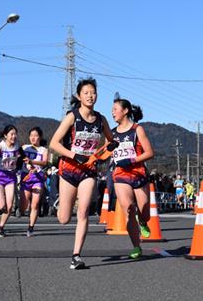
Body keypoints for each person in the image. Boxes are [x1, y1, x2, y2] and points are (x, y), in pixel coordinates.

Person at [49, 78, 113, 269]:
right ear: (79, 96)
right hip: (69, 169)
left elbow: (110, 142)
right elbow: (53, 143)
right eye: (86, 92)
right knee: (64, 219)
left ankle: (76, 255)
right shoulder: (72, 117)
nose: (90, 96)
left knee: (84, 211)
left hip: (88, 171)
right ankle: (61, 201)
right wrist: (74, 155)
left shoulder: (101, 120)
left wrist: (103, 153)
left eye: (93, 92)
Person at [110, 98, 154, 259]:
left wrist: (132, 160)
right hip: (121, 175)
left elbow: (149, 152)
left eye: (115, 109)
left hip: (138, 173)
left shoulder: (137, 129)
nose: (112, 112)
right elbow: (106, 152)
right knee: (128, 208)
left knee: (144, 211)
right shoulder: (112, 133)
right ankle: (136, 246)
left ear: (125, 110)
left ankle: (143, 221)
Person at [0, 125, 24, 237]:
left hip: (11, 177)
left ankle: (0, 227)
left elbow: (22, 157)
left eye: (15, 134)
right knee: (1, 205)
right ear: (5, 135)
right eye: (11, 134)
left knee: (9, 206)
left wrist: (24, 161)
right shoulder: (0, 146)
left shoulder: (17, 145)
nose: (14, 136)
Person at [19, 127, 48, 237]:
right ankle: (21, 210)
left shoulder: (43, 150)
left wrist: (33, 162)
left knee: (35, 204)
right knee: (23, 206)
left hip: (38, 178)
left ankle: (31, 227)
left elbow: (45, 162)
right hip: (26, 177)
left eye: (35, 135)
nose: (33, 138)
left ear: (40, 137)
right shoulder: (24, 148)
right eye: (31, 135)